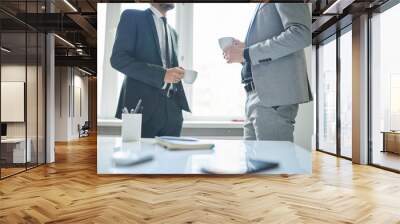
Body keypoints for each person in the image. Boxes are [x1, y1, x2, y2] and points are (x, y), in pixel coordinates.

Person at [223, 3, 312, 141]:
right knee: (255, 160)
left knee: (275, 160)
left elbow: (301, 33)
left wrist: (247, 53)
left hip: (271, 99)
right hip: (255, 95)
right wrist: (244, 50)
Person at [110, 3, 190, 138]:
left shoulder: (173, 33)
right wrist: (162, 74)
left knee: (172, 159)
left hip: (173, 111)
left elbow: (167, 66)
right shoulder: (132, 17)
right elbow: (118, 59)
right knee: (140, 158)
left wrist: (176, 73)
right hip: (142, 110)